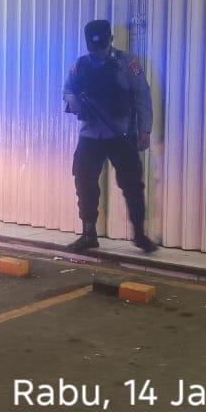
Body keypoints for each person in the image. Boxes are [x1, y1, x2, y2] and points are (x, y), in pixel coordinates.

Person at [62, 19, 157, 254]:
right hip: (90, 134)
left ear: (111, 40)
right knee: (84, 181)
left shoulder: (127, 63)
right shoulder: (81, 65)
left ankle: (140, 235)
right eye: (94, 48)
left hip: (121, 134)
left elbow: (142, 95)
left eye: (102, 46)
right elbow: (68, 91)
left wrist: (145, 130)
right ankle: (88, 233)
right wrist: (75, 103)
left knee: (132, 184)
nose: (98, 52)